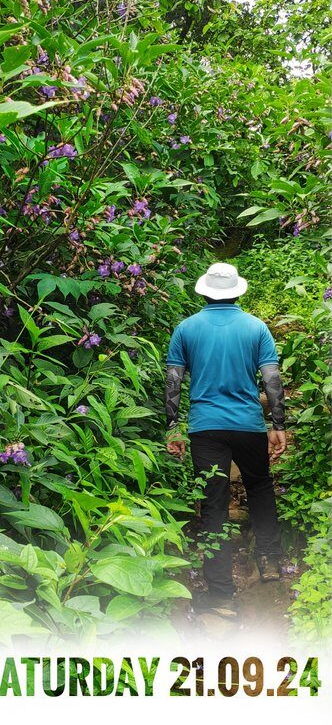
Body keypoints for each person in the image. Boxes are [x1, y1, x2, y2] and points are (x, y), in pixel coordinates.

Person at [164, 262, 287, 617]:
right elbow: (272, 379)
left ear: (204, 291)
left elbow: (174, 382)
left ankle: (220, 593)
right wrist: (277, 423)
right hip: (248, 424)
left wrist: (173, 426)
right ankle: (270, 561)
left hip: (205, 428)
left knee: (214, 504)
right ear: (237, 291)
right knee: (260, 487)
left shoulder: (186, 329)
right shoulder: (256, 328)